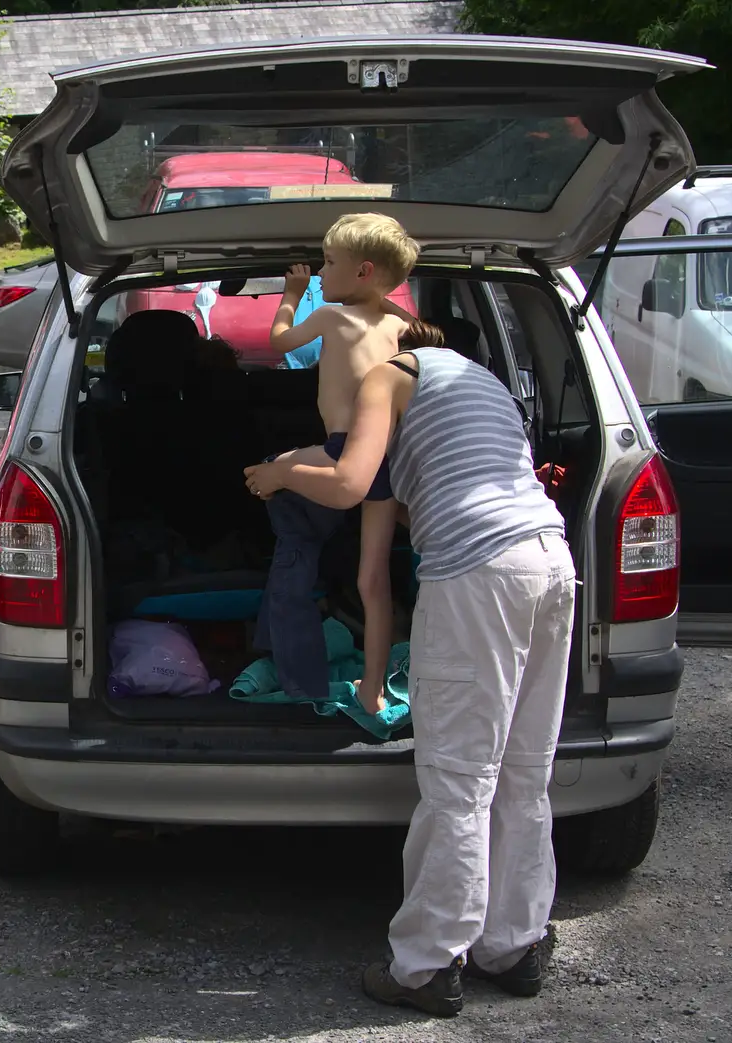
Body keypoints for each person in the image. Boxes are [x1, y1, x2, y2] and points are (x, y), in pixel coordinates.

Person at [242, 320, 575, 1018]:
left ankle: (426, 964)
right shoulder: (481, 387)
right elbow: (374, 557)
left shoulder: (393, 375)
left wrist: (278, 473)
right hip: (548, 558)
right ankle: (513, 944)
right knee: (522, 768)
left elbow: (346, 479)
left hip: (478, 570)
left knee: (459, 777)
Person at [259, 213, 419, 716]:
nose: (321, 275)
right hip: (389, 458)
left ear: (363, 271)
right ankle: (372, 689)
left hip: (343, 450)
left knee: (271, 469)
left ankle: (289, 633)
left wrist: (291, 291)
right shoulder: (398, 323)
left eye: (329, 264)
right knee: (373, 582)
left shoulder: (332, 317)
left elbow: (280, 341)